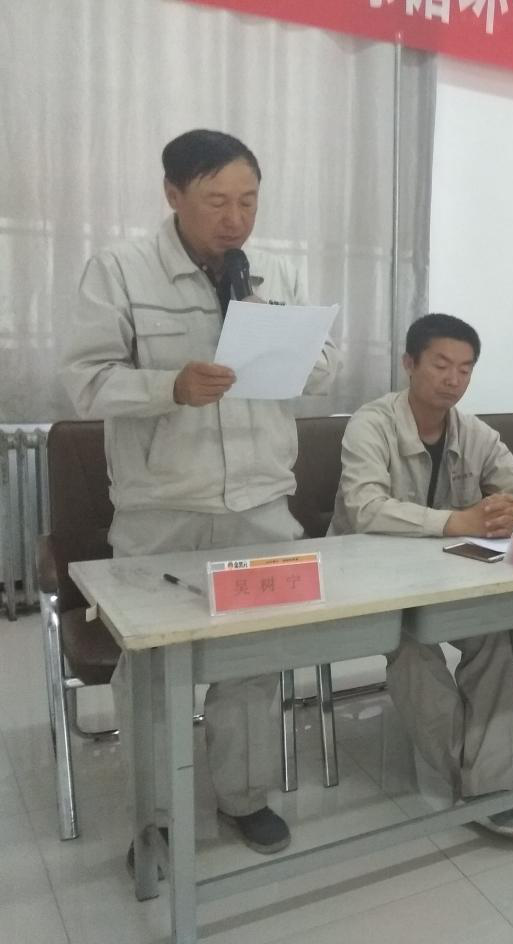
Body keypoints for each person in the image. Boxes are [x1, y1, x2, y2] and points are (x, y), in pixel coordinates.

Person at [61, 129, 341, 859]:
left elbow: (325, 367)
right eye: (216, 201)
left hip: (260, 506)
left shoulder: (275, 272)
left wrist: (283, 341)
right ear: (172, 194)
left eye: (248, 201)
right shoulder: (120, 271)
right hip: (161, 512)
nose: (234, 219)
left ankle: (244, 797)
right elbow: (86, 382)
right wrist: (169, 388)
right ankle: (156, 818)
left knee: (252, 661)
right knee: (153, 672)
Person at [330, 313, 513, 840]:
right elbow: (364, 508)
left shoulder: (474, 432)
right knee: (411, 648)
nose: (453, 379)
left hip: (447, 576)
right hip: (369, 579)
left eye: (465, 369)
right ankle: (481, 781)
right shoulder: (371, 424)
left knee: (493, 635)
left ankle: (491, 782)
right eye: (441, 365)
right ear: (409, 363)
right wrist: (459, 521)